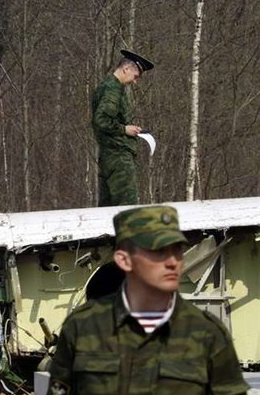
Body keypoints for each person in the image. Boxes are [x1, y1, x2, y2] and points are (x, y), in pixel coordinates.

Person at [48, 205, 249, 394]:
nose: (172, 262)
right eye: (158, 252)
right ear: (124, 260)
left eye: (177, 250)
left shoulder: (207, 332)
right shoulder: (82, 328)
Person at [93, 50, 154, 207]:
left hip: (108, 156)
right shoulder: (112, 89)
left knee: (107, 210)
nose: (135, 82)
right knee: (126, 208)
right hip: (118, 156)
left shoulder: (107, 87)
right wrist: (124, 130)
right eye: (136, 76)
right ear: (126, 69)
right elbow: (101, 120)